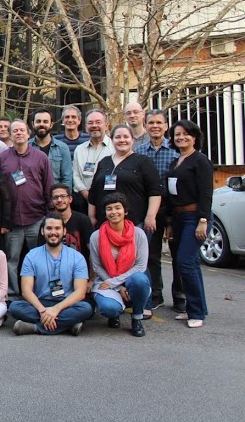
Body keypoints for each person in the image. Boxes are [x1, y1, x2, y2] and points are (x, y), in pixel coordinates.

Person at [0, 119, 54, 299]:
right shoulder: (2, 158)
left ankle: (40, 293)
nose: (19, 133)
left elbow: (48, 185)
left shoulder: (41, 157)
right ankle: (13, 294)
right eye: (15, 131)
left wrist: (49, 215)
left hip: (36, 217)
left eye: (22, 130)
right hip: (12, 221)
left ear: (29, 134)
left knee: (40, 259)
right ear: (10, 135)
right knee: (11, 260)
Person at [9, 212, 93, 336]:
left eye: (57, 228)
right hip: (40, 303)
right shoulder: (31, 256)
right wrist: (43, 311)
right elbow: (26, 291)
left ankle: (35, 328)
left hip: (66, 304)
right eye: (49, 228)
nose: (53, 232)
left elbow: (80, 293)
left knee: (86, 309)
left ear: (64, 231)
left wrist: (56, 309)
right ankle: (68, 325)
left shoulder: (77, 257)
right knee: (15, 307)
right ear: (42, 231)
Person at [165, 119, 213, 328]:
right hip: (178, 218)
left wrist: (203, 220)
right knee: (189, 263)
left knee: (185, 261)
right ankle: (198, 307)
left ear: (194, 137)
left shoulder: (200, 160)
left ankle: (196, 313)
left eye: (185, 134)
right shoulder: (176, 162)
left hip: (195, 218)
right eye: (177, 134)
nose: (181, 137)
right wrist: (169, 222)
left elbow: (206, 193)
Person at [135, 109, 181, 310]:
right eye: (151, 122)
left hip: (173, 211)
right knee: (151, 255)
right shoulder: (139, 153)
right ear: (145, 126)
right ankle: (155, 294)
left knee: (178, 256)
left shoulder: (176, 152)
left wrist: (171, 217)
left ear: (166, 126)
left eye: (159, 123)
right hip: (148, 213)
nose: (155, 126)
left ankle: (180, 296)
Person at [90, 193, 151, 337]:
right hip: (106, 280)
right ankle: (114, 314)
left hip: (129, 280)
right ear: (105, 213)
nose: (114, 212)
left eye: (118, 208)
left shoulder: (139, 234)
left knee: (140, 280)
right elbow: (97, 267)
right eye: (109, 209)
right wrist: (117, 286)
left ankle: (137, 317)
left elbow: (141, 266)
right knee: (109, 308)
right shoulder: (96, 236)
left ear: (126, 211)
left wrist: (116, 282)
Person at [88, 125, 161, 243]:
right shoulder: (104, 162)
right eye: (118, 137)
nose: (122, 140)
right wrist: (91, 216)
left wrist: (151, 216)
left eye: (126, 137)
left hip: (135, 222)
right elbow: (93, 192)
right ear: (112, 140)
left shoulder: (143, 161)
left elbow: (155, 191)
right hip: (105, 222)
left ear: (132, 140)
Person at [73, 109, 112, 213]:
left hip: (110, 202)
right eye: (90, 123)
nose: (94, 125)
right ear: (86, 127)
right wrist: (86, 194)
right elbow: (75, 175)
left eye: (98, 122)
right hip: (84, 201)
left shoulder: (115, 147)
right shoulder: (79, 149)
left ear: (106, 125)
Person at [50, 184, 94, 271]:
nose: (59, 200)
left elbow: (93, 252)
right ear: (51, 201)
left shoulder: (83, 220)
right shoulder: (48, 222)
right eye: (56, 197)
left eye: (63, 196)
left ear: (70, 199)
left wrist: (91, 280)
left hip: (81, 272)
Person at [30, 108, 73, 189]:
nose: (41, 124)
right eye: (38, 121)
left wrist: (64, 198)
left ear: (51, 124)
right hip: (33, 197)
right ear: (33, 124)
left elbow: (67, 178)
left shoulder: (62, 148)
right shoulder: (27, 147)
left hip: (56, 197)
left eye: (45, 121)